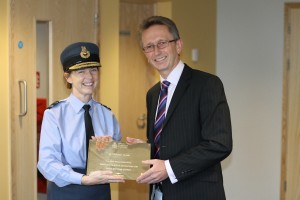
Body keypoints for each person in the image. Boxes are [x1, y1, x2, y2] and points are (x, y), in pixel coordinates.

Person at [127, 16, 232, 200]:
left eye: (162, 43)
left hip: (197, 193)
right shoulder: (153, 94)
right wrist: (144, 149)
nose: (156, 51)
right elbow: (167, 143)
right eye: (149, 47)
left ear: (178, 45)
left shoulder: (207, 84)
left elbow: (219, 144)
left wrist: (169, 168)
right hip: (159, 193)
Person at [37, 42, 124, 200]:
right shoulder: (54, 114)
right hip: (66, 190)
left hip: (100, 192)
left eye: (93, 70)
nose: (89, 77)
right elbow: (47, 163)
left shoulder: (107, 115)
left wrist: (122, 150)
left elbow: (117, 158)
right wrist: (83, 179)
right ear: (68, 77)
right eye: (81, 71)